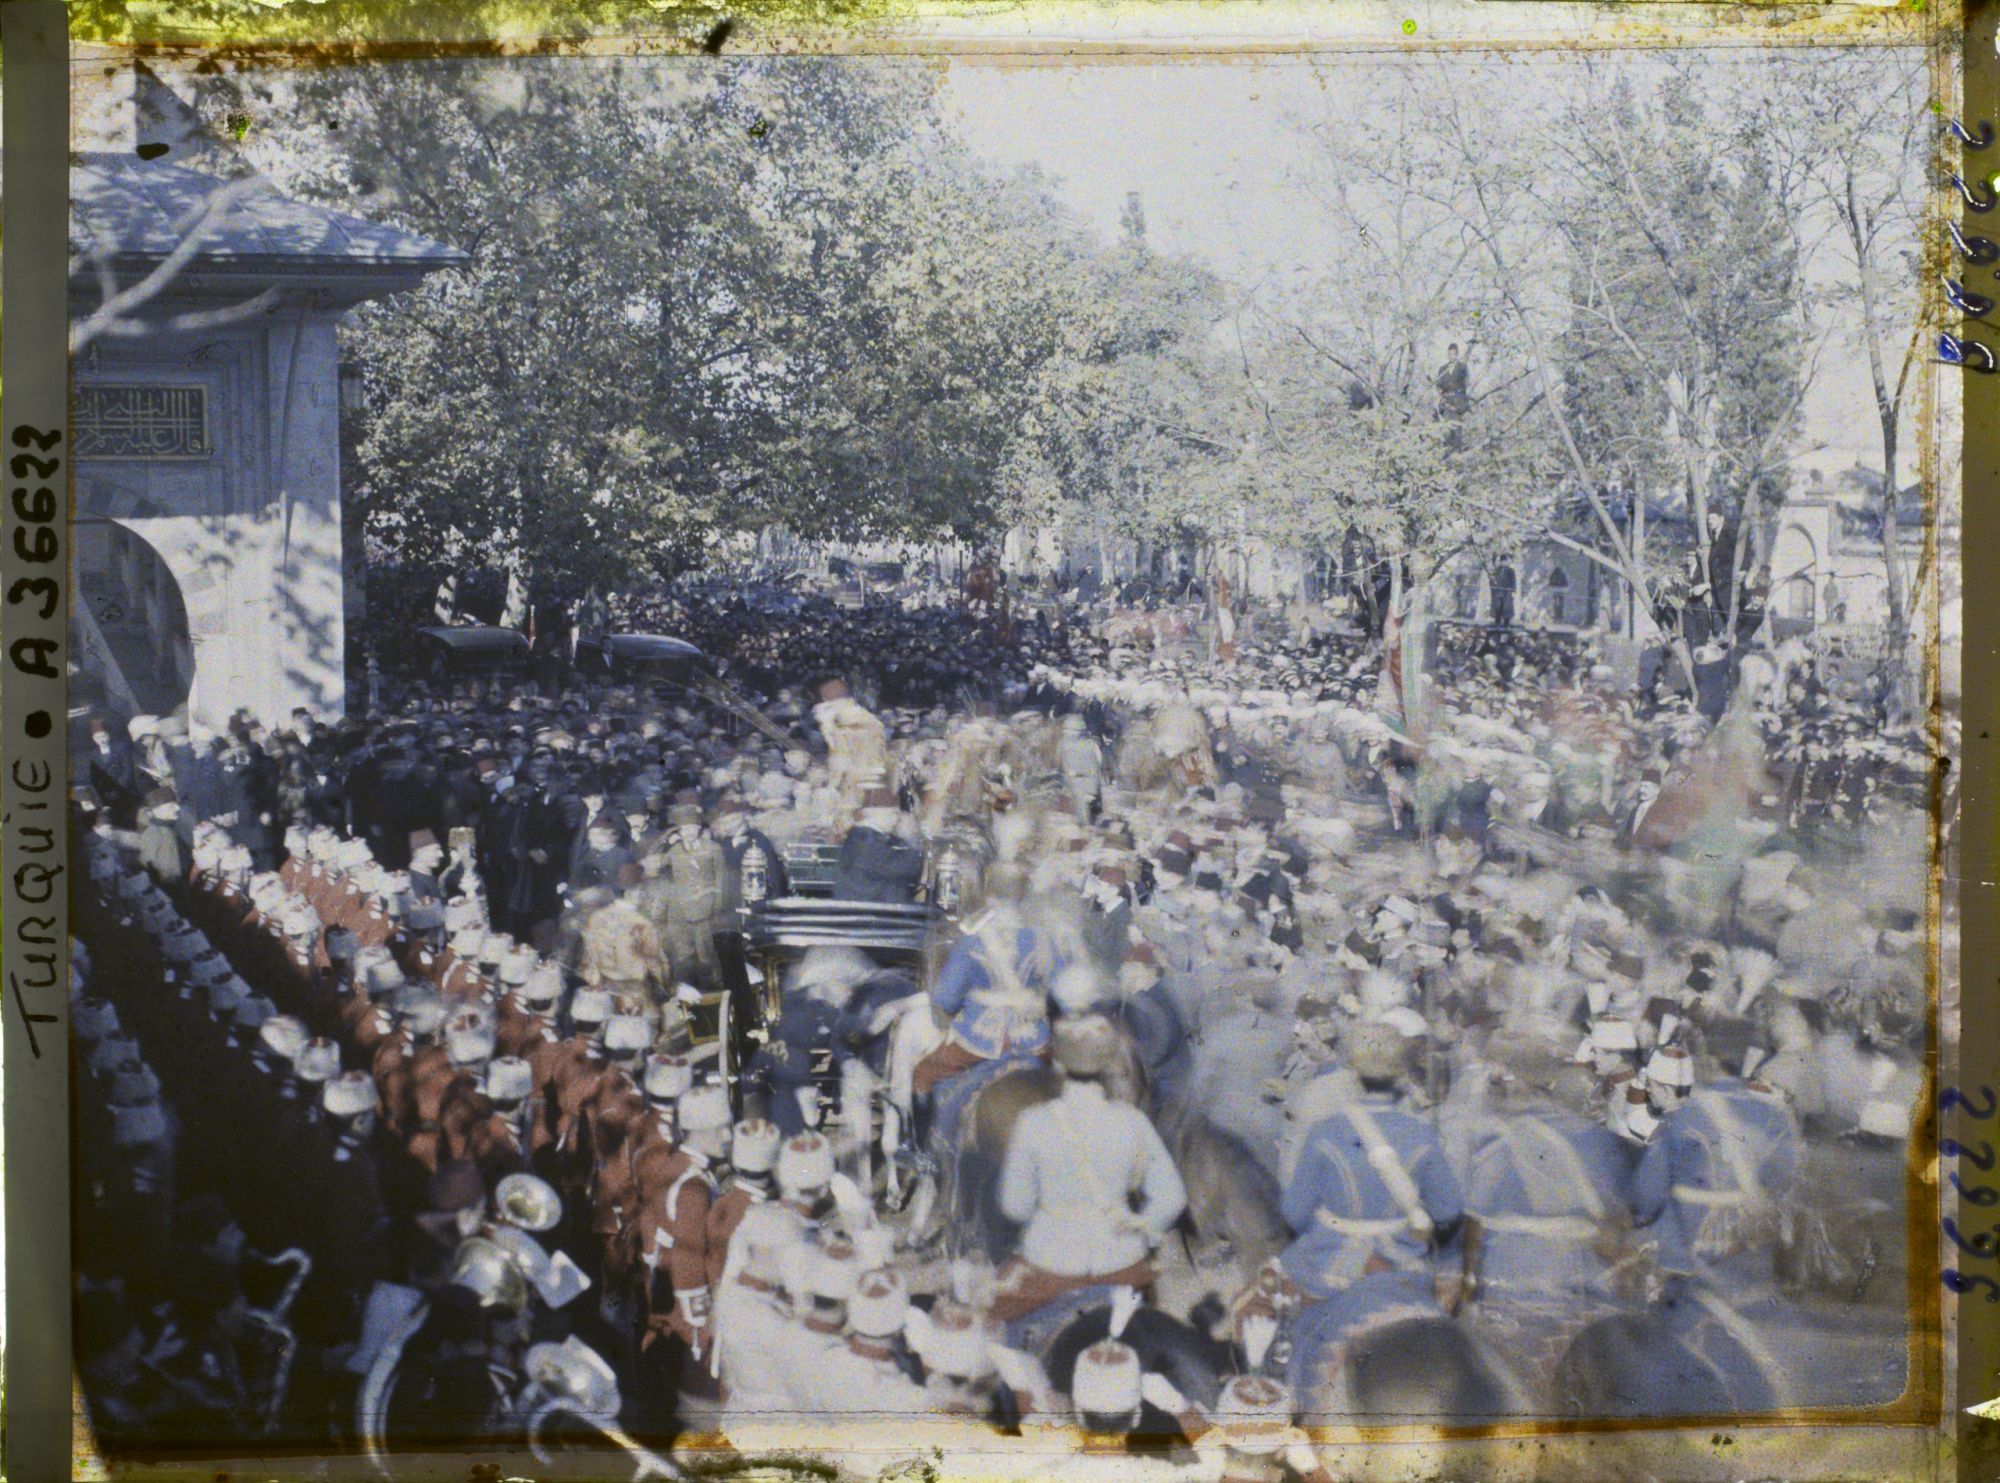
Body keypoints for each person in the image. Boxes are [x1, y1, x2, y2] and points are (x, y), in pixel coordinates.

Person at [992, 1015, 1187, 1324]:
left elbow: (1015, 1207)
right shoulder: (1133, 1120)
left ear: (1058, 1065)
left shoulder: (1033, 1121)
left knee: (996, 1326)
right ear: (1107, 1064)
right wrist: (1142, 1230)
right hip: (1122, 1262)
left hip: (1050, 1263)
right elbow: (1172, 1198)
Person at [1277, 1020, 1463, 1301]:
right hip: (1402, 1265)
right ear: (1401, 1072)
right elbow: (1447, 1211)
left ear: (1353, 1072)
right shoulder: (1422, 1133)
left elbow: (1294, 1214)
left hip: (1329, 1269)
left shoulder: (1325, 1132)